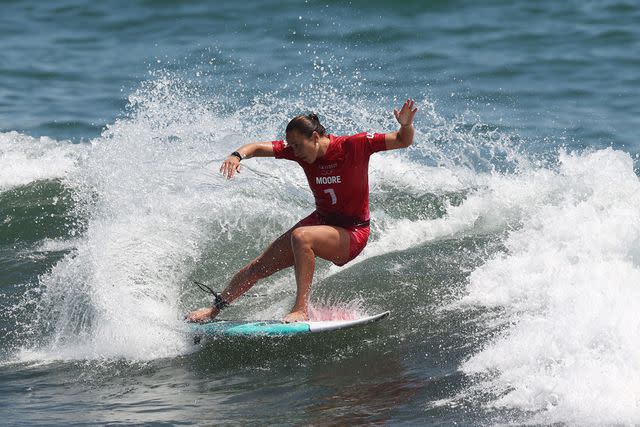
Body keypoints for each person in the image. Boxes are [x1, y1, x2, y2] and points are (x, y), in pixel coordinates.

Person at [186, 99, 417, 323]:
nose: (294, 152)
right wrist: (236, 156)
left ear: (315, 137)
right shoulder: (301, 151)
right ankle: (213, 311)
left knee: (302, 236)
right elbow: (255, 147)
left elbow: (401, 140)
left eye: (297, 145)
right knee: (259, 267)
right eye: (291, 146)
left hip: (352, 232)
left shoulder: (354, 145)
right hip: (322, 222)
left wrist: (405, 125)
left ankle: (300, 310)